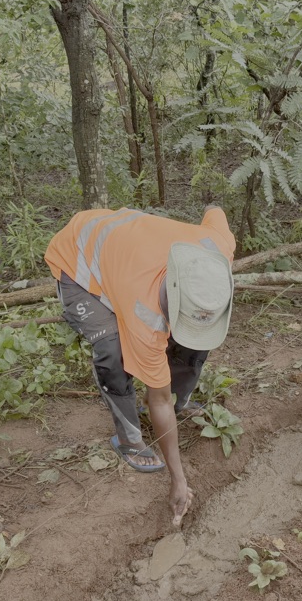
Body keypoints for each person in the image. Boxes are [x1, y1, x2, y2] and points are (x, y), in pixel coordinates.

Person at [45, 206, 236, 527]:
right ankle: (130, 439)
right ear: (169, 299)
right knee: (111, 349)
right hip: (80, 256)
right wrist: (178, 478)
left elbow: (215, 211)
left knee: (195, 338)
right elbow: (156, 398)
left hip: (128, 244)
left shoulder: (217, 250)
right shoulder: (143, 314)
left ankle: (183, 400)